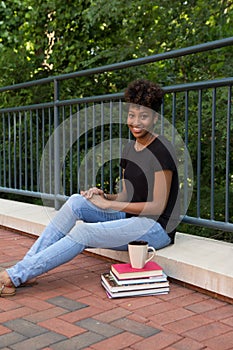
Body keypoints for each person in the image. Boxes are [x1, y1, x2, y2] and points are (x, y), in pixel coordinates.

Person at [0, 79, 180, 297]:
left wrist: (107, 204)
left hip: (155, 228)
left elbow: (157, 207)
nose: (136, 121)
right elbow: (125, 195)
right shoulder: (128, 148)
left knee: (84, 231)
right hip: (129, 217)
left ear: (154, 117)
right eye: (132, 115)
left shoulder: (162, 150)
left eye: (144, 116)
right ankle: (27, 269)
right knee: (77, 201)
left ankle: (16, 274)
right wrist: (105, 196)